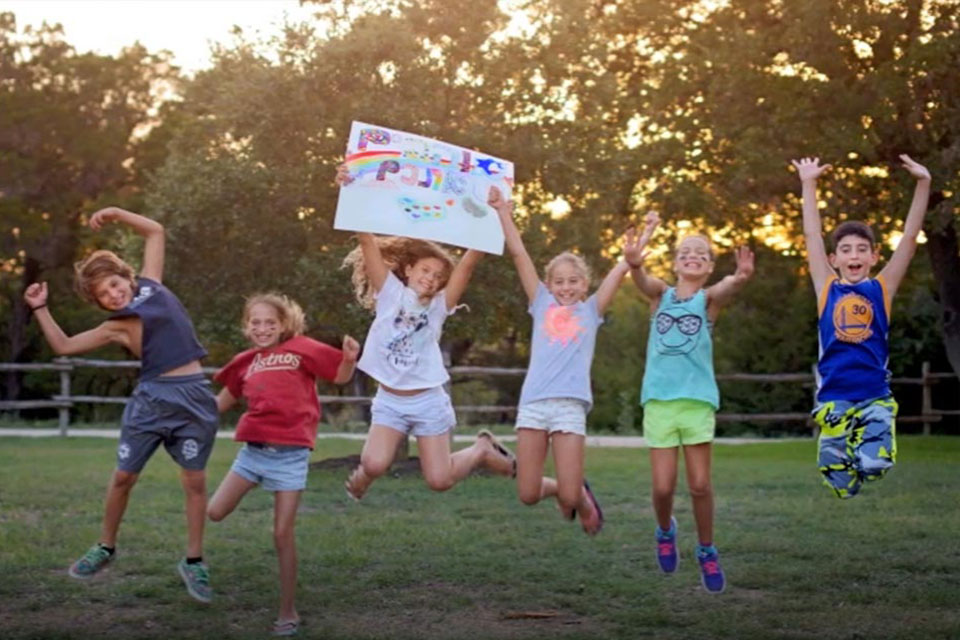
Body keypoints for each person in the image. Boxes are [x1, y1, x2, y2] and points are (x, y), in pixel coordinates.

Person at [23, 207, 218, 602]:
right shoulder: (116, 326)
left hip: (195, 396)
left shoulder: (152, 284)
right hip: (152, 400)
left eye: (114, 284)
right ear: (102, 303)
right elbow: (62, 346)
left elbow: (156, 231)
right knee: (123, 478)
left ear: (125, 277)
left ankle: (194, 561)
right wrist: (40, 308)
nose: (114, 294)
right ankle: (105, 547)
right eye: (104, 295)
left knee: (195, 482)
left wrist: (115, 213)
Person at [336, 168, 515, 501]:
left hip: (427, 401)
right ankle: (364, 476)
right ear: (408, 271)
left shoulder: (439, 306)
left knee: (439, 480)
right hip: (390, 399)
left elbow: (468, 264)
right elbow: (366, 241)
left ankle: (480, 450)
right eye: (425, 271)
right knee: (373, 463)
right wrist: (352, 187)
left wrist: (495, 215)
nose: (431, 279)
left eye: (438, 275)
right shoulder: (388, 293)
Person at [208, 293, 358, 636]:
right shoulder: (245, 362)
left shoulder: (302, 348)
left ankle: (288, 611)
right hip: (253, 454)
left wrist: (349, 359)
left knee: (281, 533)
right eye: (255, 323)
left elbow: (339, 377)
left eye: (270, 323)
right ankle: (193, 562)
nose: (263, 329)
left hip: (290, 457)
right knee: (215, 512)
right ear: (246, 327)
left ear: (284, 325)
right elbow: (217, 406)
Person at [491, 187, 639, 535]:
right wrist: (502, 212)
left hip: (570, 407)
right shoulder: (540, 303)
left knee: (571, 496)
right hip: (534, 405)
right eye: (559, 282)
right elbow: (518, 255)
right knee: (528, 494)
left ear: (584, 284)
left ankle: (579, 497)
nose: (566, 287)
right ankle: (566, 492)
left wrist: (634, 250)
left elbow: (623, 270)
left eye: (573, 281)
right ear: (548, 284)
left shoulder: (591, 311)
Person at [628, 211, 754, 593]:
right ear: (676, 260)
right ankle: (665, 530)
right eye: (686, 251)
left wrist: (740, 276)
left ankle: (706, 550)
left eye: (701, 253)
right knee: (664, 488)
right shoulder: (660, 295)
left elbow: (727, 288)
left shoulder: (707, 300)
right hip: (659, 402)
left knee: (699, 484)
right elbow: (641, 277)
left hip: (697, 401)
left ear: (710, 265)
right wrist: (634, 264)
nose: (693, 255)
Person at [791, 155, 931, 499]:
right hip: (835, 400)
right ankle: (847, 442)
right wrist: (808, 184)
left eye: (861, 249)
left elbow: (910, 239)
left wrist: (923, 183)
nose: (854, 255)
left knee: (875, 467)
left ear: (872, 256)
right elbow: (811, 234)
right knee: (841, 487)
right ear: (833, 259)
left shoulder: (881, 289)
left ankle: (871, 443)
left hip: (874, 397)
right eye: (845, 249)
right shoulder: (826, 288)